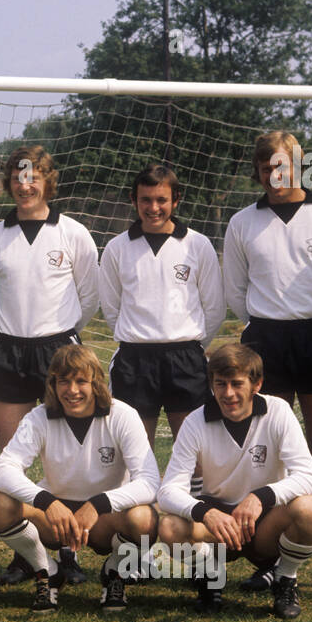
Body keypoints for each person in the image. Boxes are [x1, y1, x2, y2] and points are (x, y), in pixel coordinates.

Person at [223, 131, 312, 597]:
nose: (274, 175)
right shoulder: (242, 222)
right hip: (265, 343)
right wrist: (267, 325)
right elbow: (235, 292)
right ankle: (272, 559)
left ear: (300, 166)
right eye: (266, 168)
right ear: (258, 172)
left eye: (282, 166)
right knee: (269, 454)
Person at [0, 145, 100, 586]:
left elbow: (89, 299)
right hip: (9, 350)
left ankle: (68, 553)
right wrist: (18, 335)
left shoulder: (74, 233)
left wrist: (56, 337)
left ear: (48, 180)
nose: (25, 185)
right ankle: (26, 554)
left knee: (62, 461)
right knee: (14, 460)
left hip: (58, 352)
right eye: (17, 177)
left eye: (34, 177)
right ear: (9, 183)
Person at [157, 342, 312, 620]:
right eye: (220, 384)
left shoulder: (278, 411)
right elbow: (168, 491)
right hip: (219, 527)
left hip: (265, 524)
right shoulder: (195, 421)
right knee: (170, 526)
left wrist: (260, 497)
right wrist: (205, 512)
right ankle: (210, 578)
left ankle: (285, 579)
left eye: (237, 384)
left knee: (310, 510)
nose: (228, 393)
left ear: (256, 384)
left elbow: (309, 476)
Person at [0, 345, 158, 616]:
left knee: (144, 518)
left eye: (81, 381)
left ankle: (115, 572)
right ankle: (48, 572)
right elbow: (2, 470)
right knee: (0, 505)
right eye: (63, 381)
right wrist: (47, 502)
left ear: (97, 382)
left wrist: (99, 504)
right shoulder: (39, 416)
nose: (72, 390)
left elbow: (149, 481)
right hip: (56, 517)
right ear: (53, 384)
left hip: (105, 517)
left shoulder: (122, 415)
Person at [101, 164, 224, 445]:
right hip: (134, 360)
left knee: (195, 451)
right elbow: (110, 307)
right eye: (145, 200)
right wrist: (138, 336)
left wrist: (193, 349)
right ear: (133, 200)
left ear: (176, 200)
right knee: (135, 453)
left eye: (161, 200)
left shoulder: (198, 245)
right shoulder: (117, 248)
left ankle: (195, 491)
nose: (153, 207)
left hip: (185, 359)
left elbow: (214, 307)